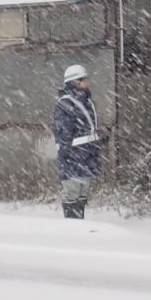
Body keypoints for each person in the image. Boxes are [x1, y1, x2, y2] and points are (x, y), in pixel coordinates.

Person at [52, 64, 102, 219]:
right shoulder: (66, 103)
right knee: (72, 191)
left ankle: (79, 222)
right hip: (74, 156)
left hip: (87, 154)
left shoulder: (87, 101)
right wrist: (68, 154)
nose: (87, 82)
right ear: (74, 82)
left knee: (82, 191)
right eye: (84, 79)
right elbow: (63, 132)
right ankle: (72, 226)